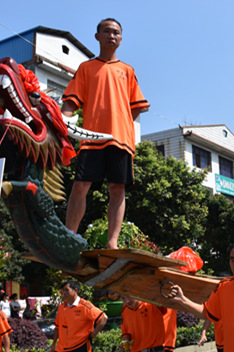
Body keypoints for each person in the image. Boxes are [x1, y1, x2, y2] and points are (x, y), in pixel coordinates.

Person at [62, 18, 150, 250]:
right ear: (97, 36)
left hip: (121, 140)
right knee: (80, 185)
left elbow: (137, 107)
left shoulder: (127, 71)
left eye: (116, 33)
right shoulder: (85, 68)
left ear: (121, 39)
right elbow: (70, 103)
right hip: (91, 137)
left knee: (117, 188)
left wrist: (119, 123)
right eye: (107, 32)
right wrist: (64, 120)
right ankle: (68, 236)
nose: (112, 36)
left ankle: (112, 242)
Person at [51, 280, 107, 352]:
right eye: (61, 292)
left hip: (82, 347)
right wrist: (54, 344)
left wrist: (94, 334)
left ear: (75, 290)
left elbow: (103, 318)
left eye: (66, 290)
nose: (63, 294)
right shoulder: (62, 307)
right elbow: (57, 327)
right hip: (65, 348)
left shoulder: (85, 305)